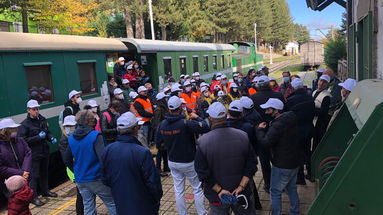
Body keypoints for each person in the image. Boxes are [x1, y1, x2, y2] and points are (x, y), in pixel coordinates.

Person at [195, 102, 257, 214]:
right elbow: (252, 164)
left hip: (217, 196)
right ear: (226, 115)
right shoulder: (243, 136)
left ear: (210, 118)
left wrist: (220, 190)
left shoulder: (203, 142)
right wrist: (241, 186)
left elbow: (202, 172)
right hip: (241, 193)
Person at [156, 96, 210, 215]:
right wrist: (197, 117)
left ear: (169, 109)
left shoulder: (162, 124)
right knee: (196, 188)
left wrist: (171, 146)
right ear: (180, 107)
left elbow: (158, 144)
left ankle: (182, 213)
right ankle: (202, 213)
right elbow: (205, 127)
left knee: (178, 190)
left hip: (173, 161)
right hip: (188, 161)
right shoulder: (186, 123)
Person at [102, 112, 163, 215]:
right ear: (135, 129)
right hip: (144, 205)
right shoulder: (142, 152)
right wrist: (156, 199)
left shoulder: (108, 150)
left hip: (121, 203)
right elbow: (153, 184)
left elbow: (105, 178)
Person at [256, 98, 303, 215]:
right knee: (291, 188)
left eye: (268, 110)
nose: (266, 112)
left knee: (275, 191)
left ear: (276, 111)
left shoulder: (277, 124)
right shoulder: (290, 118)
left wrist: (260, 130)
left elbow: (266, 143)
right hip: (295, 162)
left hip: (282, 164)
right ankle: (294, 211)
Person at [64, 110, 116, 215]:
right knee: (112, 203)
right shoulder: (96, 136)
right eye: (93, 120)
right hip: (96, 177)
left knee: (88, 206)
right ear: (89, 122)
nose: (95, 121)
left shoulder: (71, 137)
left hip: (81, 179)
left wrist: (76, 171)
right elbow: (103, 158)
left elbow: (67, 159)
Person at [17, 100, 58, 206]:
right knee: (34, 176)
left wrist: (51, 137)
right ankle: (33, 197)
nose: (36, 111)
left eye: (37, 109)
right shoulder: (24, 125)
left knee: (44, 172)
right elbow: (22, 141)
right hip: (34, 154)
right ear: (28, 110)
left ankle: (45, 191)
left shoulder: (42, 119)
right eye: (34, 109)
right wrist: (37, 137)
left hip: (44, 151)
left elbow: (47, 132)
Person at [226, 100, 262, 210]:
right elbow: (255, 144)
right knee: (248, 182)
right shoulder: (248, 126)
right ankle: (255, 204)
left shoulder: (225, 126)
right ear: (242, 113)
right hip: (246, 159)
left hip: (230, 161)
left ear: (228, 112)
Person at [285, 78, 315, 184]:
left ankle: (300, 177)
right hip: (309, 128)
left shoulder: (290, 100)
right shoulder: (310, 97)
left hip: (296, 131)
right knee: (307, 150)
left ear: (293, 88)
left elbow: (287, 116)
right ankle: (311, 173)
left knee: (298, 153)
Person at [0, 118, 32, 201]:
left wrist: (25, 171)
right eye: (12, 129)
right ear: (4, 131)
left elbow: (28, 153)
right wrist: (21, 173)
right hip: (10, 183)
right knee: (15, 204)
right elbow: (1, 168)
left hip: (24, 179)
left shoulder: (19, 140)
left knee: (25, 202)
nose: (16, 130)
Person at [58, 116, 84, 215]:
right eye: (67, 126)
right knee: (80, 194)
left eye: (72, 126)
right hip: (74, 171)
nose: (69, 129)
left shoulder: (76, 137)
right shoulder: (64, 141)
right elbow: (67, 159)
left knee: (83, 194)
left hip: (80, 168)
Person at [312, 75, 331, 156]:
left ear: (327, 84)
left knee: (316, 143)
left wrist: (311, 111)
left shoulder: (326, 96)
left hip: (319, 124)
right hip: (313, 121)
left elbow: (323, 111)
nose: (321, 83)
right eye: (321, 81)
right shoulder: (315, 92)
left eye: (324, 82)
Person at [152, 92, 170, 176]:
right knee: (160, 152)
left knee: (165, 151)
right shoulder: (158, 109)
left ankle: (166, 167)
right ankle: (158, 169)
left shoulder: (163, 108)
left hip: (164, 131)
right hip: (160, 133)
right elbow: (157, 123)